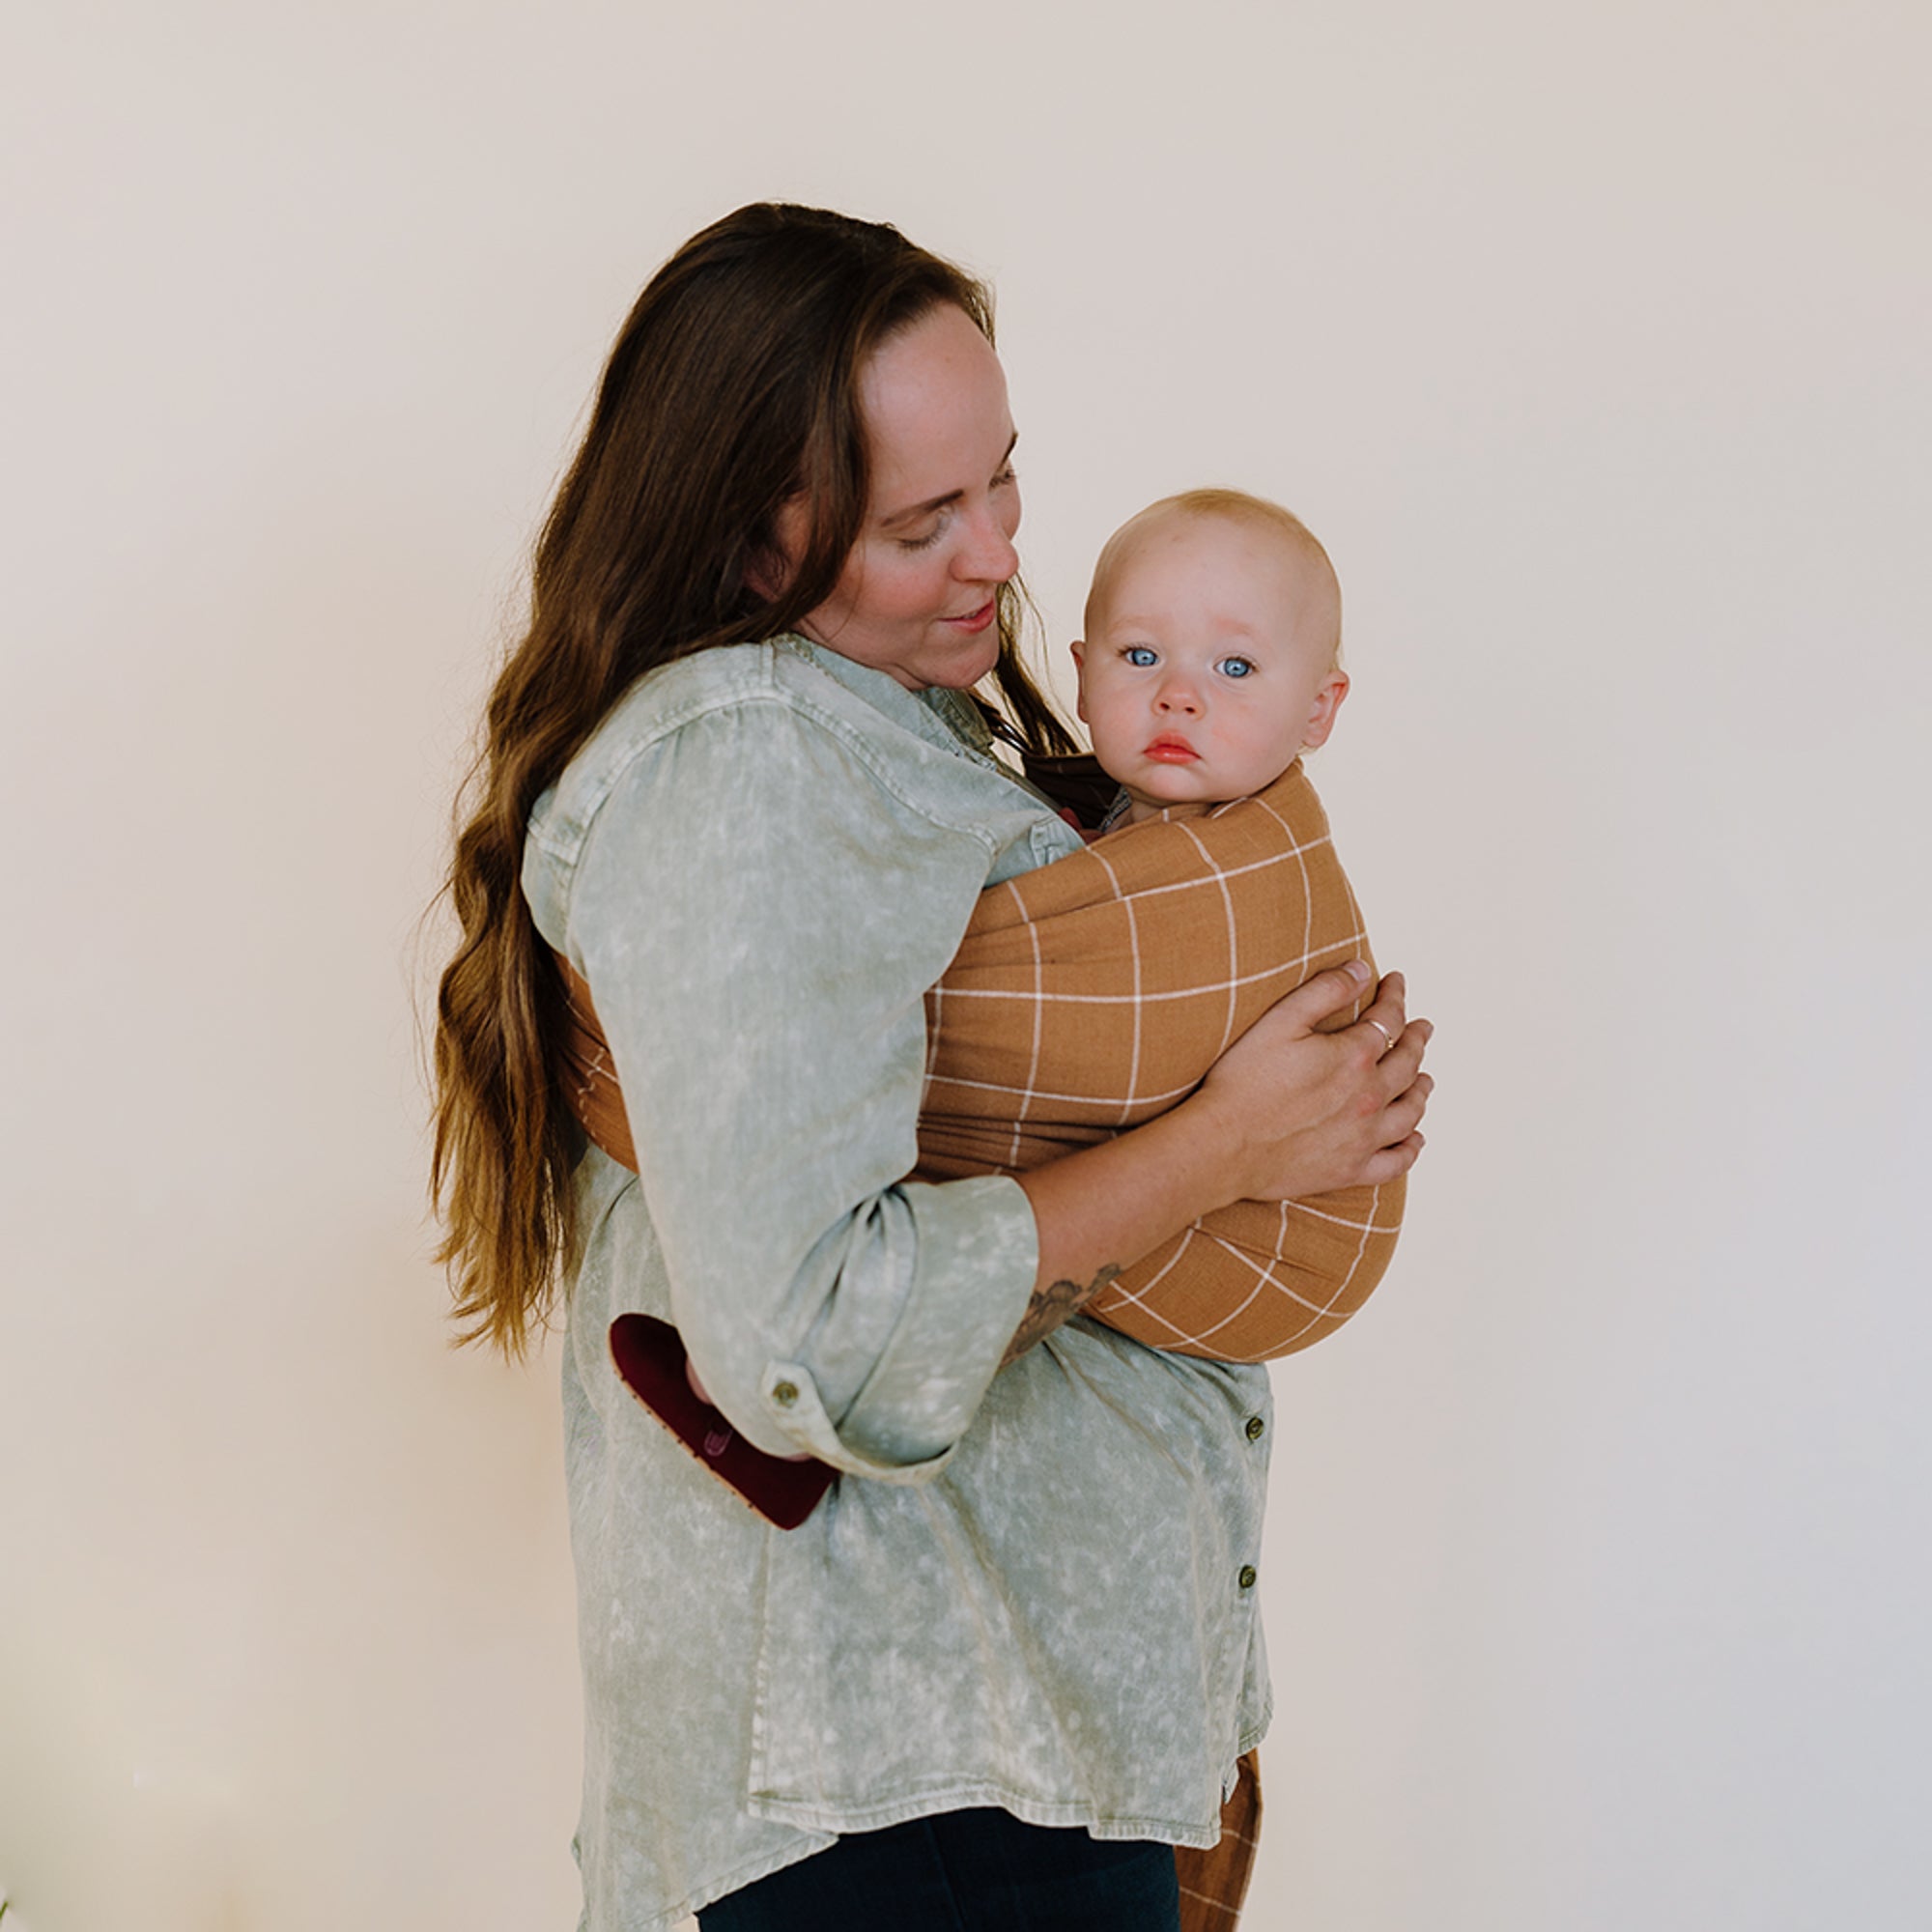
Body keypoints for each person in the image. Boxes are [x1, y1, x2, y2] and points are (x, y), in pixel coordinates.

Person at [431, 203, 1431, 1932]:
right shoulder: (745, 764)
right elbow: (807, 1332)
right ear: (756, 548)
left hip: (980, 1758)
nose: (995, 555)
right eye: (922, 522)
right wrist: (1232, 1140)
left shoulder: (903, 725)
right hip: (903, 1785)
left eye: (1003, 481)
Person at [919, 489, 1406, 1363]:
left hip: (1267, 1243)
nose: (1179, 695)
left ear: (1319, 710)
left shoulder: (1259, 865)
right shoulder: (1060, 826)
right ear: (1081, 672)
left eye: (1236, 668)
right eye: (1140, 654)